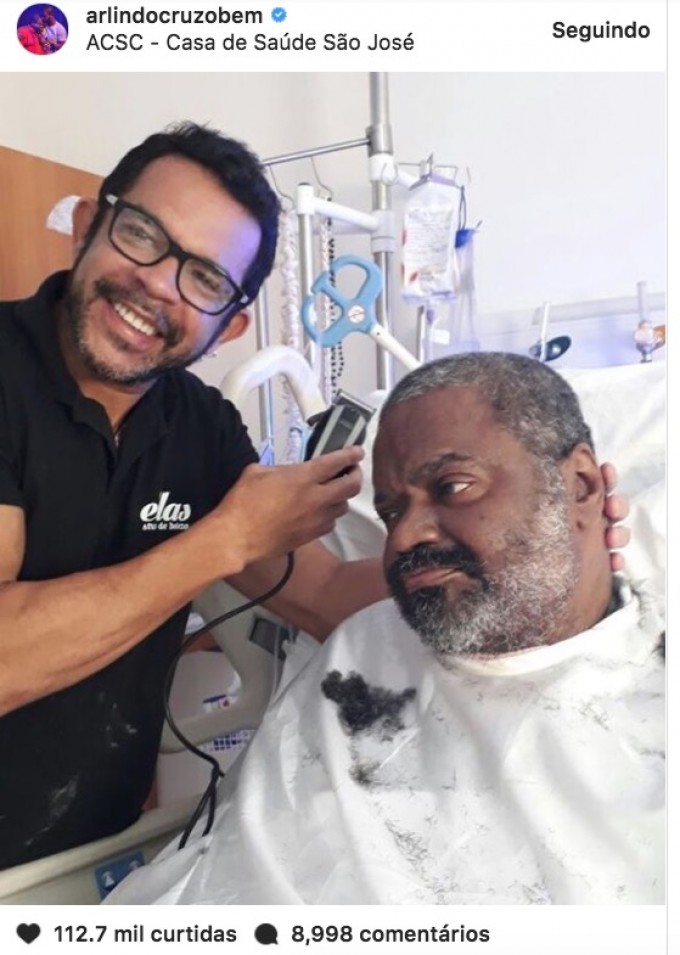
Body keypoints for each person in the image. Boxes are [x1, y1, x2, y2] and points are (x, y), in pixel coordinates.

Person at [0, 124, 627, 871]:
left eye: (205, 279)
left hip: (86, 853)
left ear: (229, 325)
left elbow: (322, 593)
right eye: (141, 235)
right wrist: (226, 539)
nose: (160, 284)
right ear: (85, 227)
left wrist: (529, 550)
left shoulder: (200, 428)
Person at [105, 354, 663, 905]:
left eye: (452, 487)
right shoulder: (366, 645)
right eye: (391, 512)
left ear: (581, 486)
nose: (403, 537)